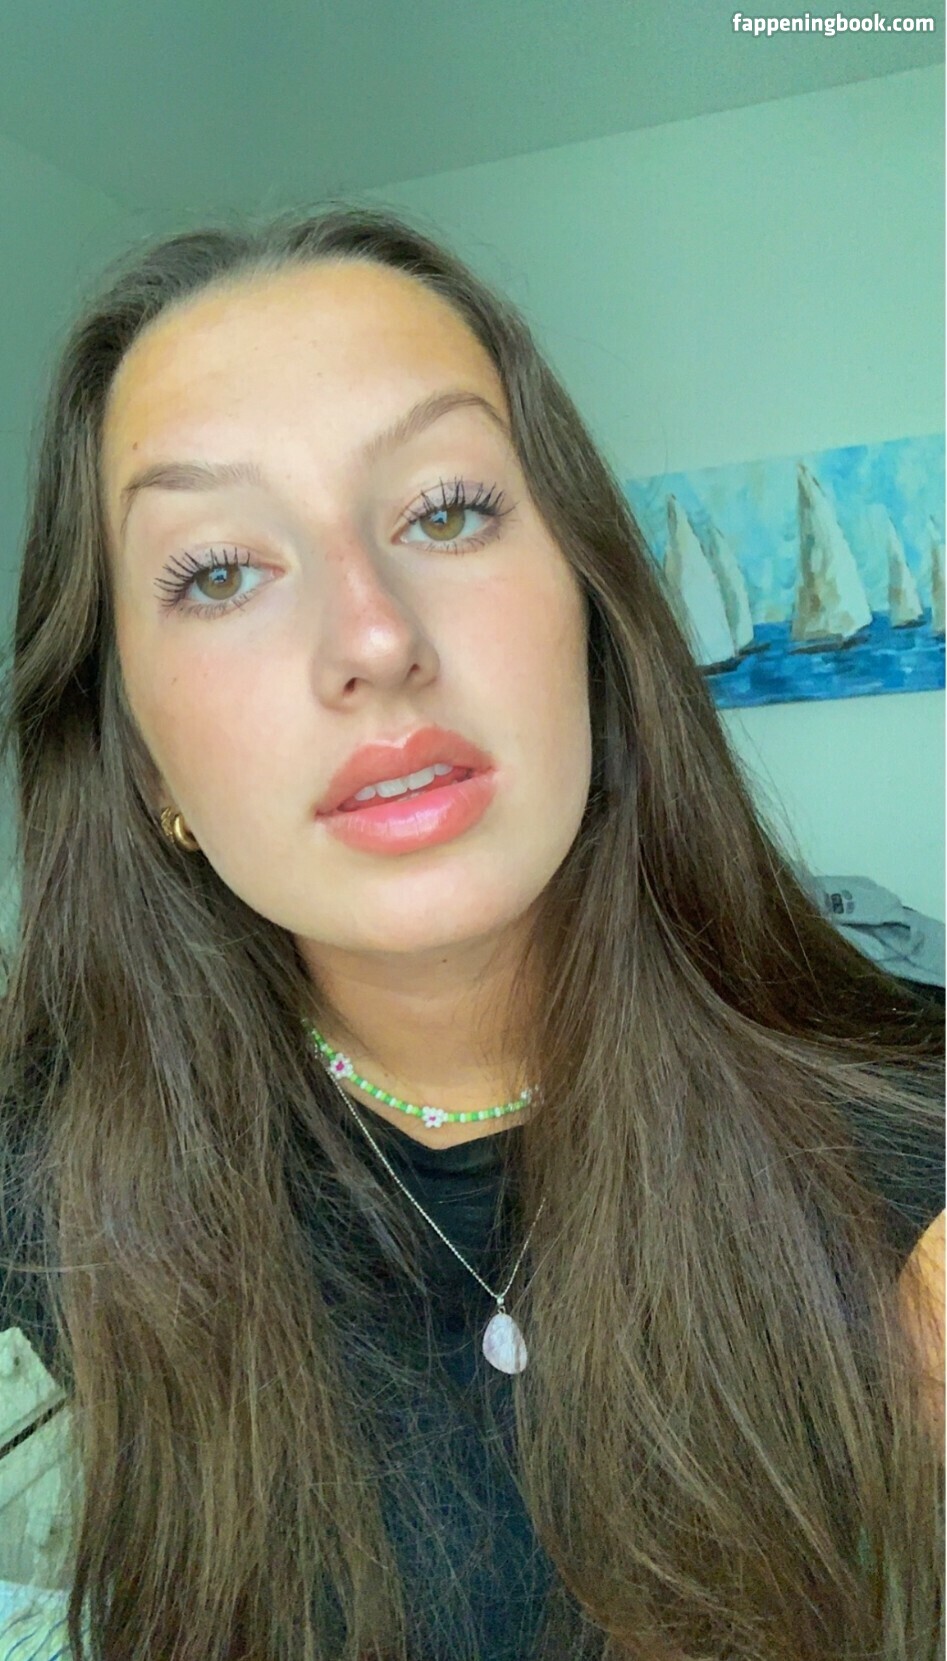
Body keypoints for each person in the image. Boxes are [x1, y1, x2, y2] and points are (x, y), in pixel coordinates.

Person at [0, 202, 942, 1661]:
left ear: (591, 614)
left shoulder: (910, 1146)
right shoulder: (50, 1192)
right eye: (220, 571)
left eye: (444, 510)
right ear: (145, 769)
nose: (375, 637)